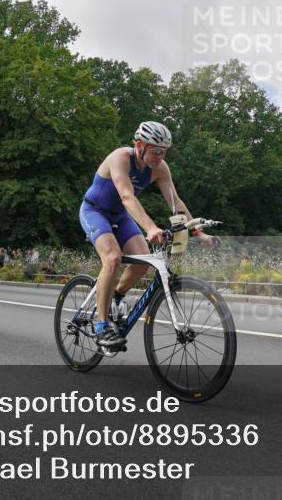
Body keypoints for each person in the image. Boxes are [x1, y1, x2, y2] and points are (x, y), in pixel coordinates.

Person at [79, 121, 217, 351]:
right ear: (140, 145)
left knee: (143, 261)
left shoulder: (161, 169)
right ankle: (101, 326)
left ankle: (115, 296)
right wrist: (151, 228)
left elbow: (176, 204)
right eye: (155, 151)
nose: (160, 156)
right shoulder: (120, 158)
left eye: (164, 152)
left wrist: (198, 233)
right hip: (95, 211)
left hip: (120, 216)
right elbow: (126, 196)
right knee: (113, 258)